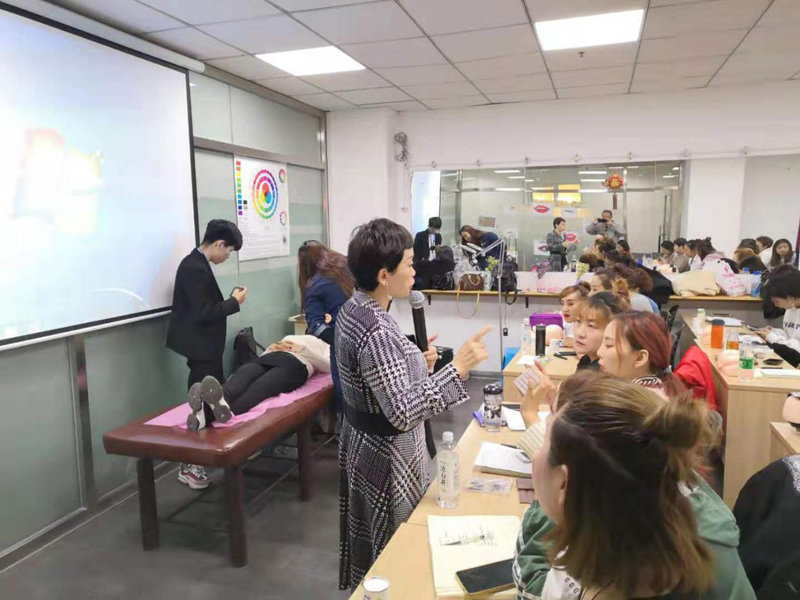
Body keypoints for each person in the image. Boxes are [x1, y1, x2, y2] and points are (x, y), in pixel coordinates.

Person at [337, 218, 491, 590]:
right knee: (395, 549)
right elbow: (402, 411)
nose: (415, 270)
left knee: (373, 539)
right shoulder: (376, 329)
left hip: (362, 443)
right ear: (384, 275)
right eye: (408, 263)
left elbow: (375, 380)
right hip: (388, 455)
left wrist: (415, 363)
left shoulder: (354, 309)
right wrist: (458, 368)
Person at [513, 373, 756, 600]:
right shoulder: (654, 512)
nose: (536, 453)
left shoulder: (608, 556)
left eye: (543, 440)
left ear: (564, 483)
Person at [166, 219, 246, 489]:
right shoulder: (194, 267)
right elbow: (203, 313)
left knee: (211, 403)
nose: (227, 257)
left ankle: (203, 459)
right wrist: (234, 303)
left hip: (207, 349)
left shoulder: (197, 264)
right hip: (201, 349)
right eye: (229, 251)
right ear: (219, 244)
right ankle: (190, 465)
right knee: (199, 407)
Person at [186, 335, 331, 431]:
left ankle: (205, 415)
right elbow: (273, 347)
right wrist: (276, 348)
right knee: (240, 378)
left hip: (297, 363)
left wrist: (304, 350)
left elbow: (328, 366)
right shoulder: (291, 336)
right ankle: (208, 409)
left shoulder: (326, 346)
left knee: (258, 388)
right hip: (268, 357)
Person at [298, 240, 354, 414]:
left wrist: (337, 340)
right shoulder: (349, 266)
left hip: (340, 345)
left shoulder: (316, 285)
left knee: (346, 400)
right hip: (365, 334)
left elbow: (315, 324)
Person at [598, 311, 684, 399]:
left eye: (609, 345)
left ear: (640, 358)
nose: (599, 352)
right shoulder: (651, 388)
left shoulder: (634, 402)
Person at [573, 292, 630, 370]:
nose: (580, 333)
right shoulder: (586, 360)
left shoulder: (606, 369)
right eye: (578, 321)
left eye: (591, 326)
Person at [757, 265, 800, 353]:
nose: (776, 305)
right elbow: (790, 337)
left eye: (776, 301)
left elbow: (797, 348)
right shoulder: (791, 308)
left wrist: (772, 338)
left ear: (789, 297)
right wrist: (774, 332)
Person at [559, 282, 590, 347]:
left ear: (585, 304)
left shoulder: (590, 325)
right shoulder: (566, 322)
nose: (565, 309)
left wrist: (575, 343)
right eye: (562, 304)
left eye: (570, 304)